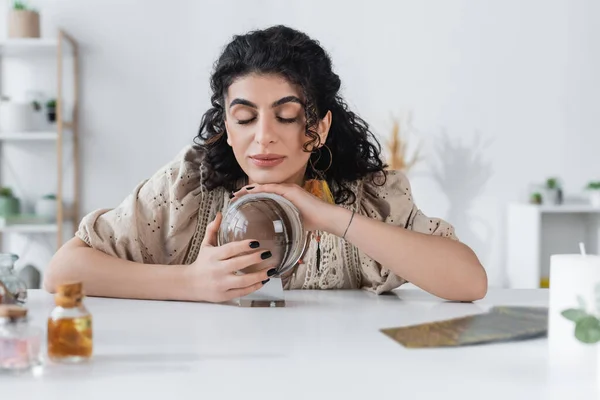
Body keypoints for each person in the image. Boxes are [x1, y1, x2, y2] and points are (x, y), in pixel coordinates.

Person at [44, 25, 487, 303]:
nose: (263, 136)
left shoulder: (368, 195)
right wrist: (192, 283)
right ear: (227, 125)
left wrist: (332, 218)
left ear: (320, 126)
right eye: (244, 117)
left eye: (287, 115)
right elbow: (63, 271)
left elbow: (469, 283)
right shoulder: (188, 188)